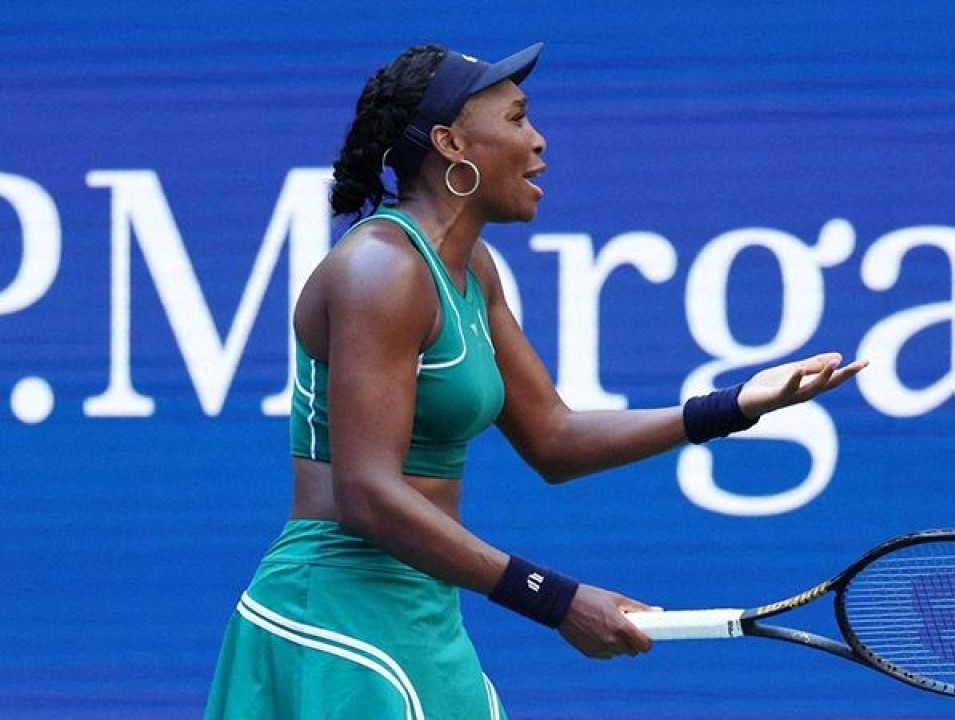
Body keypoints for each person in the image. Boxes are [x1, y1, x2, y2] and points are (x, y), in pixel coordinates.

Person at [204, 41, 866, 719]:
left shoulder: (473, 270)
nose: (540, 141)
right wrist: (555, 599)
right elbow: (367, 494)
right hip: (333, 619)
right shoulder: (382, 271)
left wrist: (735, 406)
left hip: (421, 612)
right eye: (518, 119)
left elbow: (554, 437)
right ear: (451, 142)